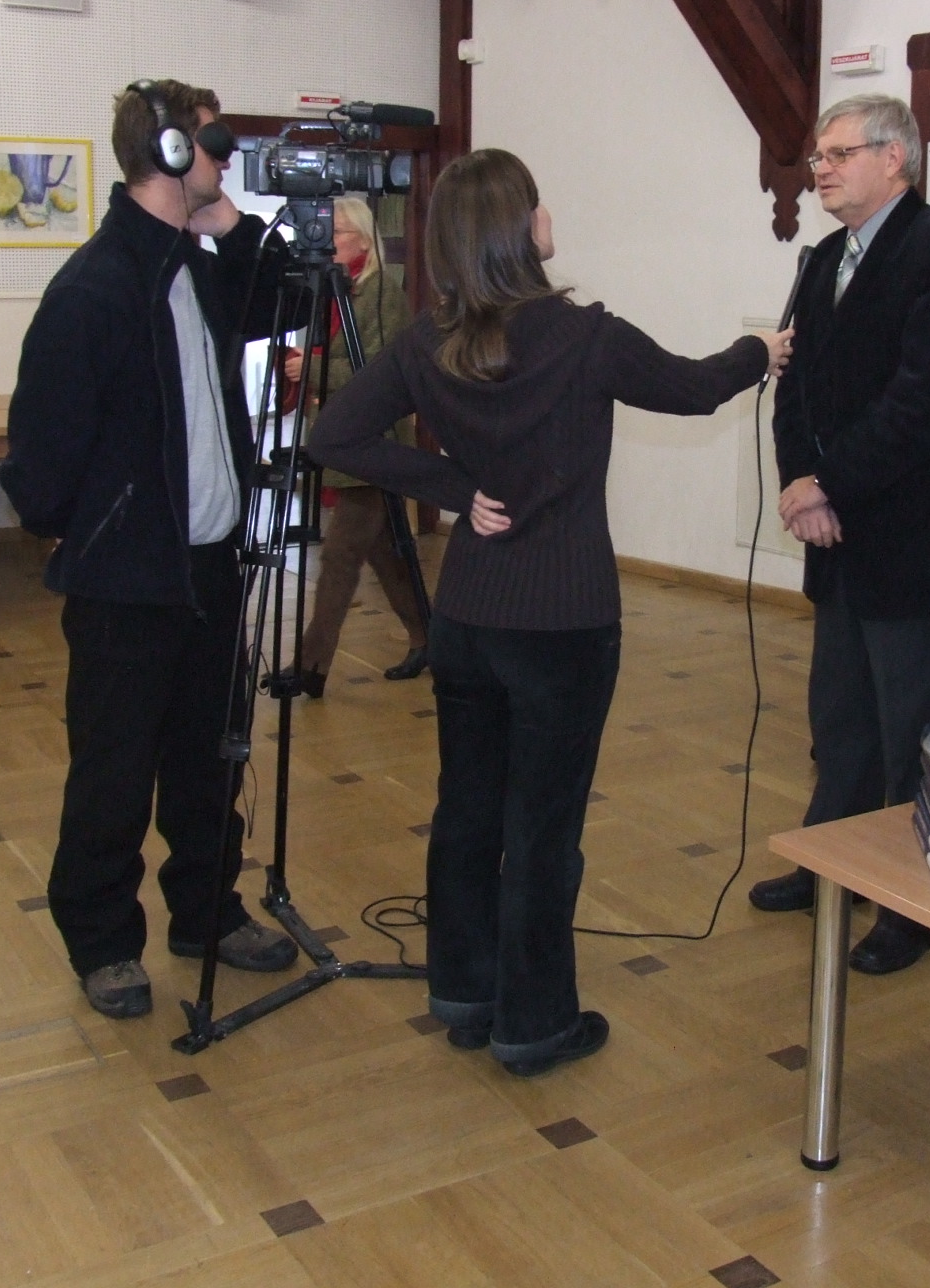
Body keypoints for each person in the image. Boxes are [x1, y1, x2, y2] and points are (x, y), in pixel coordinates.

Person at [310, 149, 793, 1077]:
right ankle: (534, 1025)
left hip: (467, 617)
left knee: (466, 810)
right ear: (519, 228)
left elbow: (333, 434)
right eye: (538, 204)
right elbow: (694, 389)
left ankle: (464, 990)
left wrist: (455, 487)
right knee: (542, 830)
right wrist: (758, 352)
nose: (548, 215)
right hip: (563, 624)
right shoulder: (583, 336)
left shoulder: (427, 343)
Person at [2, 79, 302, 1020]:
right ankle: (102, 942)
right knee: (115, 772)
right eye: (213, 143)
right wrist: (91, 526)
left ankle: (206, 914)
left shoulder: (198, 268)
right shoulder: (94, 288)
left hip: (209, 569)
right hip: (126, 581)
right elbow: (38, 459)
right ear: (171, 152)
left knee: (210, 760)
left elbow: (289, 298)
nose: (225, 156)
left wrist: (227, 217)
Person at [749, 93, 930, 976]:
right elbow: (792, 386)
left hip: (909, 533)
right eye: (817, 156)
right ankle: (833, 862)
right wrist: (799, 484)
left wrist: (830, 482)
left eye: (837, 154)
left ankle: (910, 901)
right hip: (836, 535)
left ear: (895, 158)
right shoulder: (824, 257)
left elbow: (925, 401)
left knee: (914, 727)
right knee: (842, 718)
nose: (818, 169)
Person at [278, 194, 430, 690]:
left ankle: (312, 665)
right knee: (386, 553)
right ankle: (430, 638)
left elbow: (382, 372)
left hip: (374, 445)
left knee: (340, 557)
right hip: (345, 442)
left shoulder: (381, 291)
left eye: (337, 233)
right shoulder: (330, 291)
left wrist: (312, 368)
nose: (327, 242)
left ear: (363, 240)